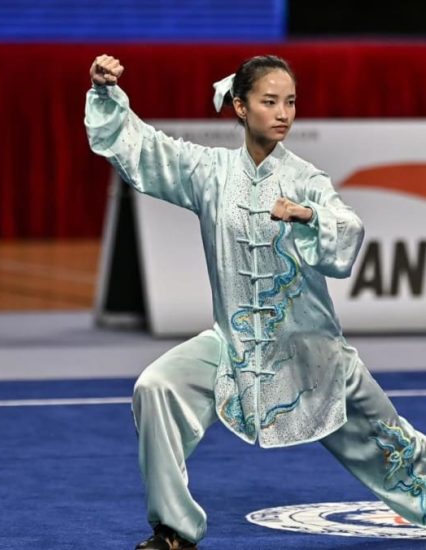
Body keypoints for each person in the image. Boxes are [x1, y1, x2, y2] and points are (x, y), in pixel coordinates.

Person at [84, 54, 426, 550]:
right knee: (157, 386)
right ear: (240, 108)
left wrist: (307, 215)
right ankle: (174, 529)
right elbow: (144, 148)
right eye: (270, 102)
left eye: (290, 102)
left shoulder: (308, 178)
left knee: (393, 446)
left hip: (313, 353)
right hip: (233, 345)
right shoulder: (210, 172)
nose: (283, 112)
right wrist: (104, 94)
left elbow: (347, 230)